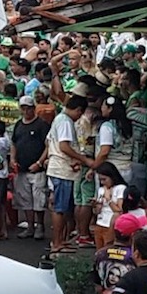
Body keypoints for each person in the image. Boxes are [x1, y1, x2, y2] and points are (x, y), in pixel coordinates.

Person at [46, 95, 91, 255]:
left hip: (59, 167)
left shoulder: (59, 119)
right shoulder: (65, 121)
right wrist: (83, 158)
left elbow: (49, 142)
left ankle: (60, 240)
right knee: (60, 208)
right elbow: (64, 146)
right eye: (80, 113)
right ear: (78, 110)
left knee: (61, 207)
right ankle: (57, 242)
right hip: (61, 170)